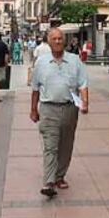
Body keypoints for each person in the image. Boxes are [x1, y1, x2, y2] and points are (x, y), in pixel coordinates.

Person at [30, 28, 89, 197]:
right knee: (50, 146)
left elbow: (83, 84)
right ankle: (49, 182)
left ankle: (59, 176)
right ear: (49, 42)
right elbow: (35, 88)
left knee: (66, 145)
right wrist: (33, 109)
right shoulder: (41, 62)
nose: (57, 41)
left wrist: (85, 103)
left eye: (60, 39)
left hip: (70, 108)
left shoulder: (75, 60)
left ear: (64, 41)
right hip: (48, 108)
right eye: (54, 39)